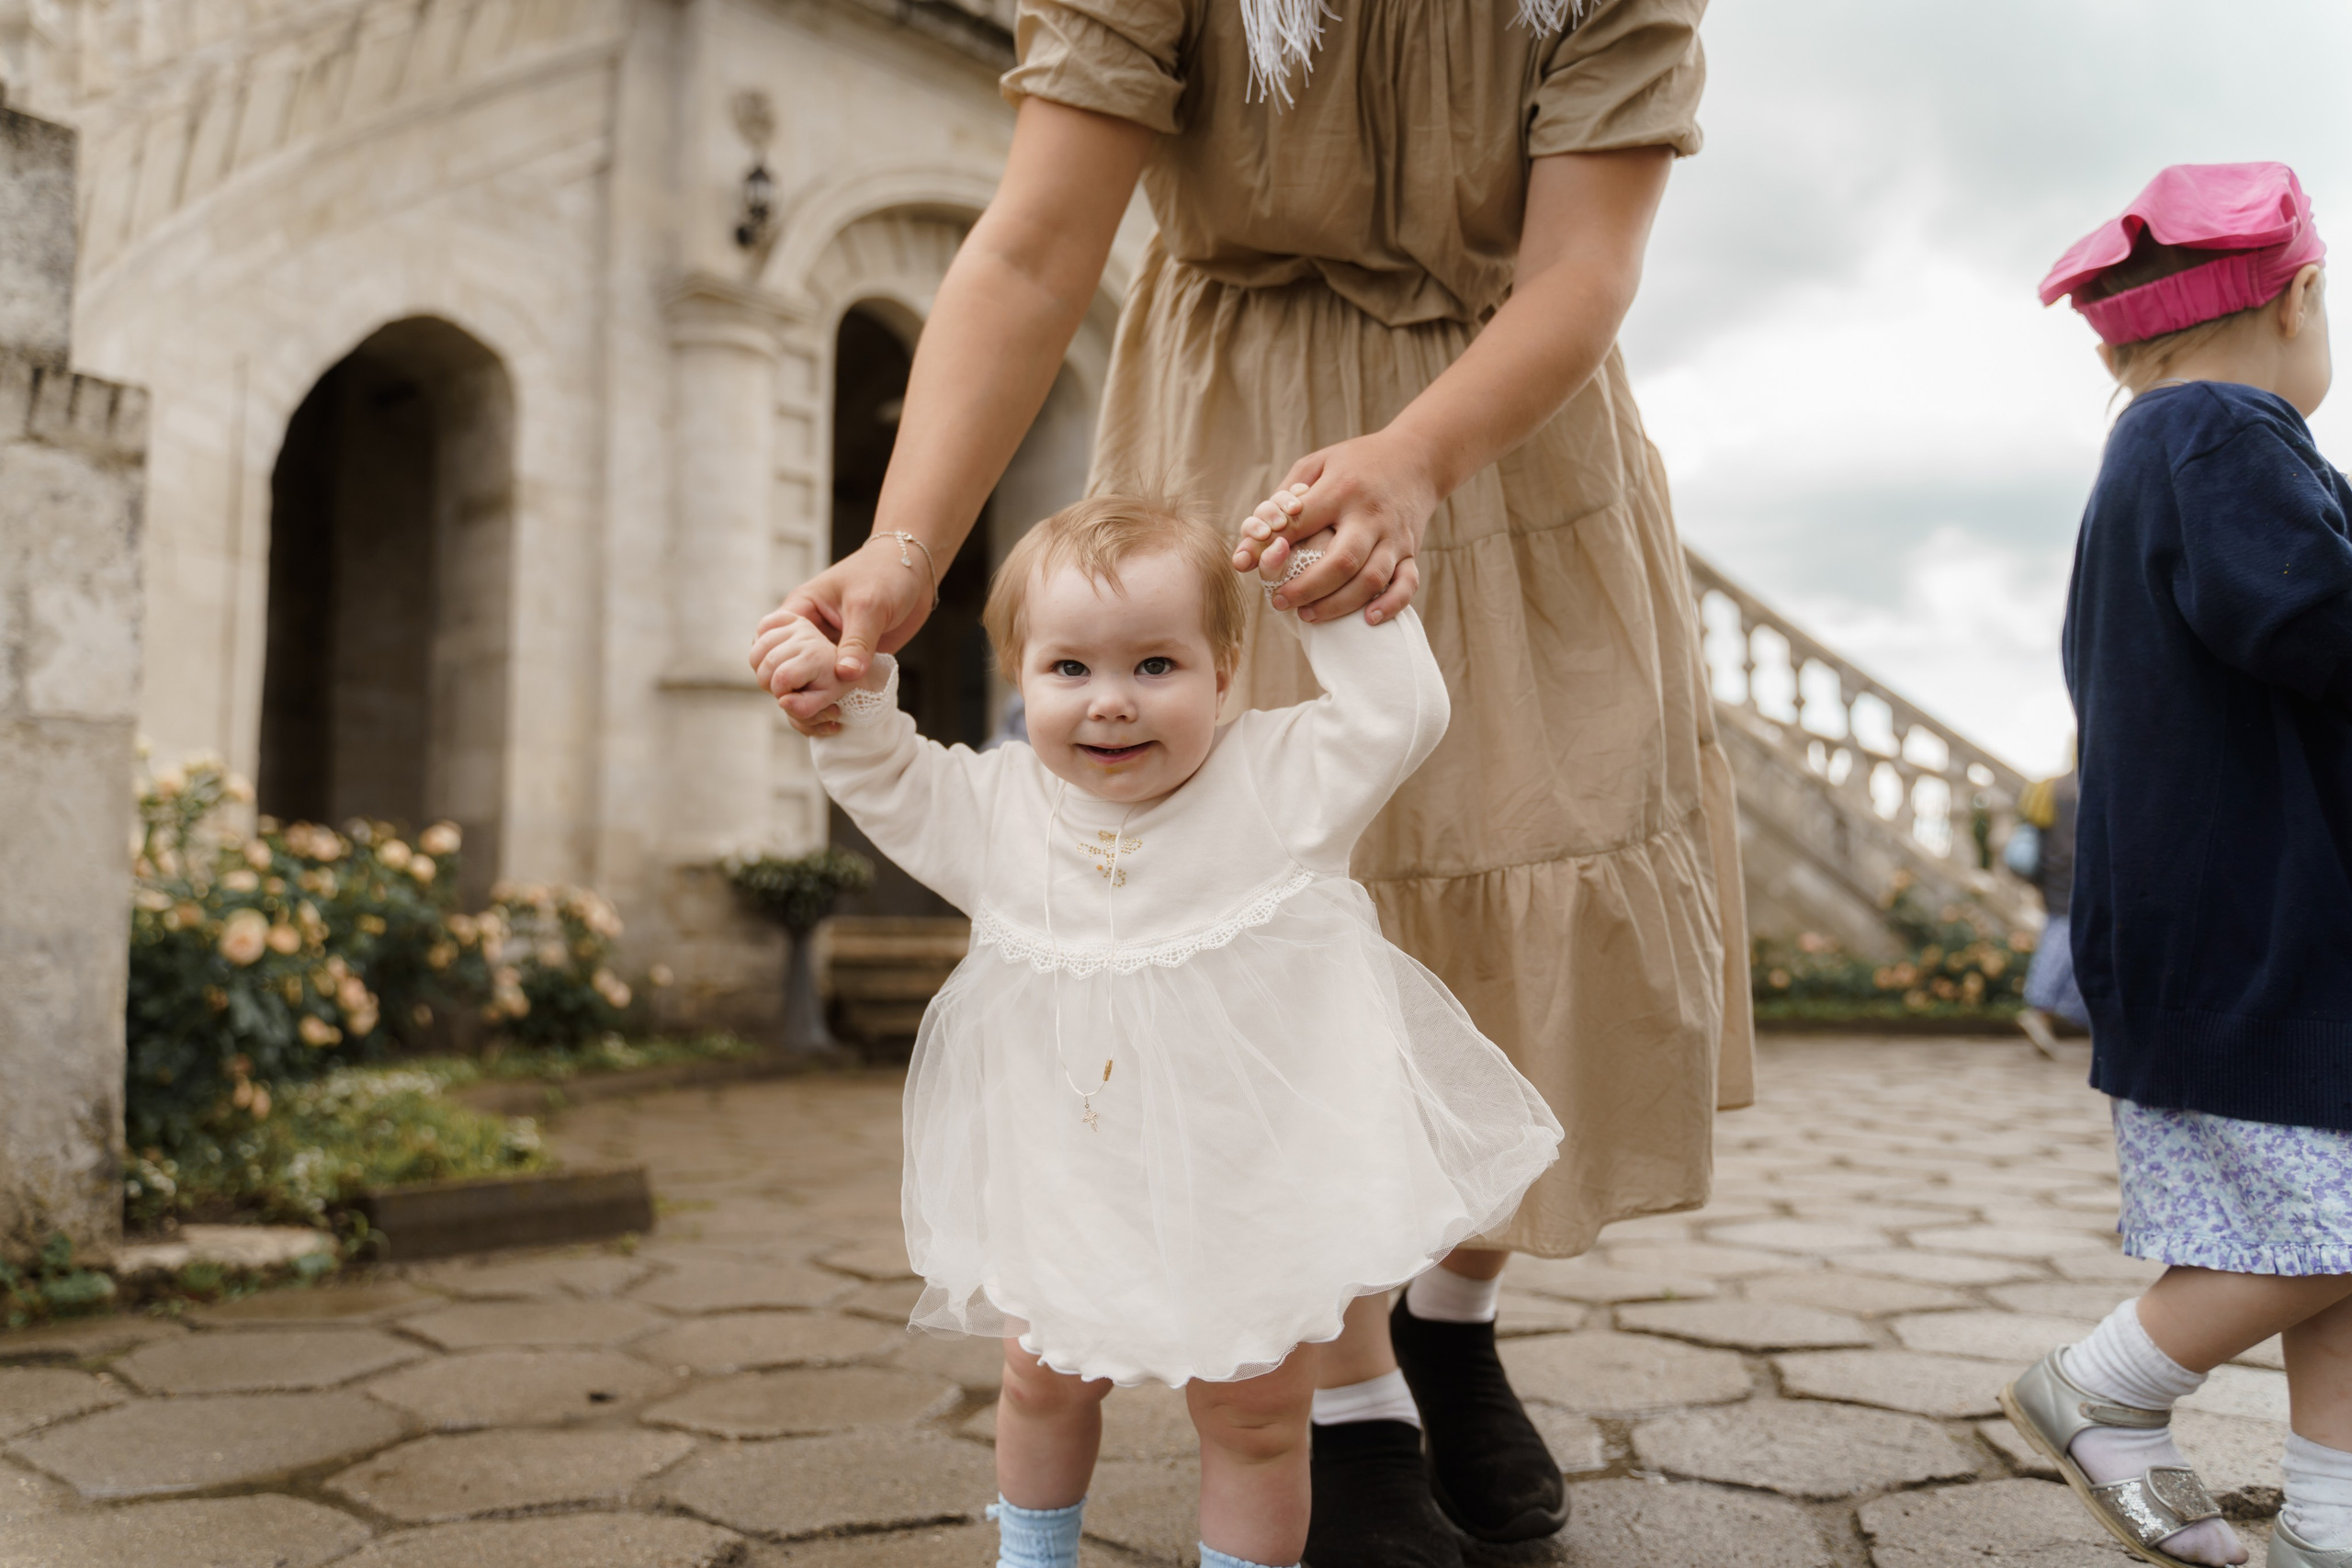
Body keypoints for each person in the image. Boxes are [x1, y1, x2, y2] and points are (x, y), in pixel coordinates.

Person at [756, 4, 1751, 1558]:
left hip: (1501, 414)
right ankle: (1345, 1393)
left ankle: (1455, 1316)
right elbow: (1032, 247)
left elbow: (1581, 267)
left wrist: (1418, 456)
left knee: (1528, 862)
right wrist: (902, 552)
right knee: (1255, 915)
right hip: (1236, 426)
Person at [753, 494, 1563, 1568]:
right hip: (1067, 1185)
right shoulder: (994, 814)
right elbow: (887, 775)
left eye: (1155, 667)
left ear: (1223, 673)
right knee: (1041, 1387)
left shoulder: (1282, 782)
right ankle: (1033, 1559)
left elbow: (1397, 717)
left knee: (1256, 1420)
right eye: (1069, 670)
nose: (1112, 706)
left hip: (1252, 1194)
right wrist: (838, 694)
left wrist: (1330, 601)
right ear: (1019, 682)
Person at [1999, 163, 2352, 1568]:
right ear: (2302, 296)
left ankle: (2332, 1517)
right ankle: (2108, 1385)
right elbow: (2318, 624)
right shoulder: (2222, 427)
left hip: (2232, 928)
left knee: (2329, 1235)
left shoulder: (2162, 443)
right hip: (2263, 930)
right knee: (2322, 1228)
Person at [2009, 761, 2088, 1057]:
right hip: (2076, 876)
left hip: (2051, 874)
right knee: (2066, 938)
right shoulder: (2083, 785)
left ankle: (2047, 1010)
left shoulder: (2047, 787)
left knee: (2060, 934)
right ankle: (2043, 1008)